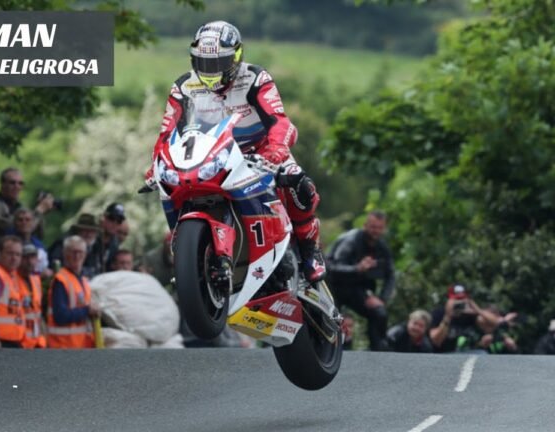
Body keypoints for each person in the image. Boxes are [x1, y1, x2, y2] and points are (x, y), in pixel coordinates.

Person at [143, 21, 326, 283]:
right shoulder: (183, 87)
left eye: (218, 63)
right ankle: (188, 255)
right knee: (169, 186)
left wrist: (276, 149)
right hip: (209, 158)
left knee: (298, 181)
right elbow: (166, 133)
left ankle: (310, 248)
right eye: (204, 63)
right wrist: (157, 163)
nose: (211, 71)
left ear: (236, 57)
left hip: (259, 152)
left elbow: (280, 121)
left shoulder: (255, 78)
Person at [326, 211, 394, 351]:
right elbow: (332, 268)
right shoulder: (351, 241)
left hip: (356, 289)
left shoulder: (381, 247)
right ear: (365, 225)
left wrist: (382, 298)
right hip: (333, 287)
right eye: (373, 227)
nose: (376, 231)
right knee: (334, 324)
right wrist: (357, 268)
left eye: (379, 228)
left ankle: (377, 350)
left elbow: (390, 275)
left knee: (379, 312)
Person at [46, 235, 100, 349]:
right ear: (65, 254)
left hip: (79, 346)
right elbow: (60, 316)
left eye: (80, 252)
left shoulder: (84, 281)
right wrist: (87, 310)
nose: (77, 256)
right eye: (73, 252)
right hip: (63, 346)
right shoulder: (61, 280)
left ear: (85, 254)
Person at [428, 284, 511, 353]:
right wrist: (448, 316)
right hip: (442, 355)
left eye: (462, 299)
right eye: (456, 299)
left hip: (464, 355)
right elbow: (436, 341)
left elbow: (495, 323)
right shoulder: (438, 313)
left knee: (482, 354)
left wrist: (477, 309)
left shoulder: (470, 315)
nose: (459, 303)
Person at [0, 208, 52, 277]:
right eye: (20, 220)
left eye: (27, 220)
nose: (24, 222)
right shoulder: (6, 244)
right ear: (15, 223)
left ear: (33, 223)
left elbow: (43, 269)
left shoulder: (39, 247)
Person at [19, 244, 47, 349]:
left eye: (33, 257)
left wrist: (44, 337)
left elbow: (38, 314)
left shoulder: (36, 281)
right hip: (20, 342)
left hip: (37, 342)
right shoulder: (12, 280)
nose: (30, 262)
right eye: (25, 258)